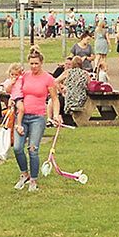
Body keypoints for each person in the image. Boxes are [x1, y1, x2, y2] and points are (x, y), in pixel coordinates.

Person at [12, 49, 61, 192]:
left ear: (41, 63)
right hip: (22, 117)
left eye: (36, 63)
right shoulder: (24, 76)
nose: (34, 66)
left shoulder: (48, 78)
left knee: (33, 149)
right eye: (31, 63)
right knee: (17, 147)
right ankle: (24, 174)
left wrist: (56, 114)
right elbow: (14, 90)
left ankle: (33, 179)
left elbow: (54, 98)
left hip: (37, 118)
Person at [56, 56, 90, 125]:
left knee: (59, 99)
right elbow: (89, 86)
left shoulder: (68, 72)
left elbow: (55, 82)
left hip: (69, 99)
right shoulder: (85, 73)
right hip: (81, 100)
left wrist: (61, 92)